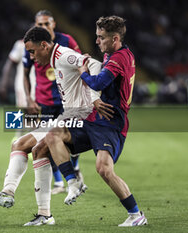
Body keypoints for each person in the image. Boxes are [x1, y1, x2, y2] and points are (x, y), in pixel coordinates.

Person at [0, 26, 114, 226]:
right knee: (29, 148)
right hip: (67, 116)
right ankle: (43, 214)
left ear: (44, 45)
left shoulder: (64, 55)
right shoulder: (55, 58)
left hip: (79, 118)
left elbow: (95, 64)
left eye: (32, 51)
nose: (31, 56)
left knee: (23, 144)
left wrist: (93, 97)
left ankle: (13, 193)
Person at [44, 16, 148, 227]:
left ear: (115, 38)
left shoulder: (119, 58)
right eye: (97, 36)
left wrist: (82, 72)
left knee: (104, 169)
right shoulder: (116, 54)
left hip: (111, 123)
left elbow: (98, 81)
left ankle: (136, 214)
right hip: (93, 119)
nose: (97, 41)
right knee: (54, 134)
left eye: (101, 38)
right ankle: (72, 182)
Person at [22, 9, 85, 194]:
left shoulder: (67, 41)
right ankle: (59, 183)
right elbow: (25, 74)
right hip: (45, 101)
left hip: (67, 101)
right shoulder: (31, 46)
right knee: (48, 141)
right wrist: (28, 98)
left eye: (46, 23)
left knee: (72, 140)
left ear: (53, 24)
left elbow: (81, 65)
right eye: (39, 24)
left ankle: (74, 171)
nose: (43, 26)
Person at [0, 39, 36, 139]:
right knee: (26, 112)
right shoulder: (20, 44)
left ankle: (22, 140)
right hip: (23, 84)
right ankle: (20, 140)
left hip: (38, 84)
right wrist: (4, 84)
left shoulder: (45, 44)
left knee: (33, 114)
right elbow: (9, 64)